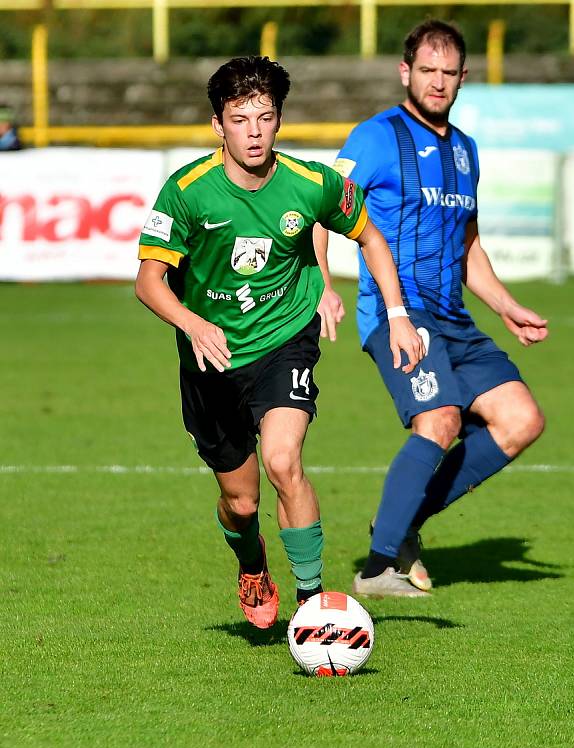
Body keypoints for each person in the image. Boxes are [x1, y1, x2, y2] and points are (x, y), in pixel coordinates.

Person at [135, 56, 424, 629]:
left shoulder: (312, 184)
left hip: (284, 340)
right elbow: (148, 281)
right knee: (241, 505)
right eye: (240, 120)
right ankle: (252, 565)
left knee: (283, 460)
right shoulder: (187, 192)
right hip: (209, 356)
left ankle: (314, 606)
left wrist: (397, 314)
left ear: (279, 120)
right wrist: (193, 323)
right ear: (218, 125)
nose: (254, 132)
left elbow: (370, 236)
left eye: (265, 117)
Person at [315, 20, 548, 597]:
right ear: (406, 73)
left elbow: (468, 246)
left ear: (463, 77)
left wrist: (506, 306)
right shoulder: (374, 137)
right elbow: (321, 209)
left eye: (449, 74)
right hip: (398, 313)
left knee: (522, 420)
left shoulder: (466, 151)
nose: (438, 83)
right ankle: (377, 568)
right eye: (427, 71)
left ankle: (404, 525)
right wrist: (322, 284)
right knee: (439, 421)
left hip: (455, 317)